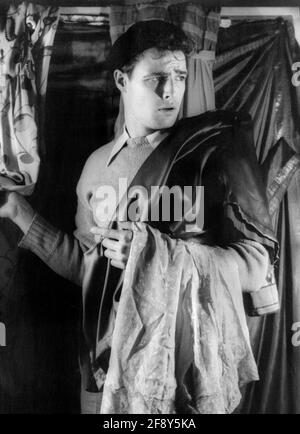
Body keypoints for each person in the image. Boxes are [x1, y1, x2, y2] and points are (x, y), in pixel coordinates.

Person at [0, 20, 277, 414]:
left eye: (179, 76)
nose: (171, 91)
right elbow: (87, 268)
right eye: (156, 78)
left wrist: (153, 255)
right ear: (121, 80)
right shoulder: (96, 167)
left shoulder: (211, 153)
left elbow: (259, 263)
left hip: (187, 371)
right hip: (107, 368)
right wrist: (20, 214)